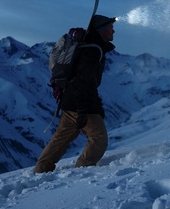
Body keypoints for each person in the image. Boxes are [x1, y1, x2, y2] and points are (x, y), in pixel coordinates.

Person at [34, 15, 116, 173]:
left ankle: (41, 170)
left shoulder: (89, 47)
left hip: (68, 101)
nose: (114, 30)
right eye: (111, 27)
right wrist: (83, 110)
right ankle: (81, 172)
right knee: (99, 138)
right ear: (102, 30)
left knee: (60, 139)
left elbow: (85, 82)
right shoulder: (92, 51)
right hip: (81, 104)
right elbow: (82, 82)